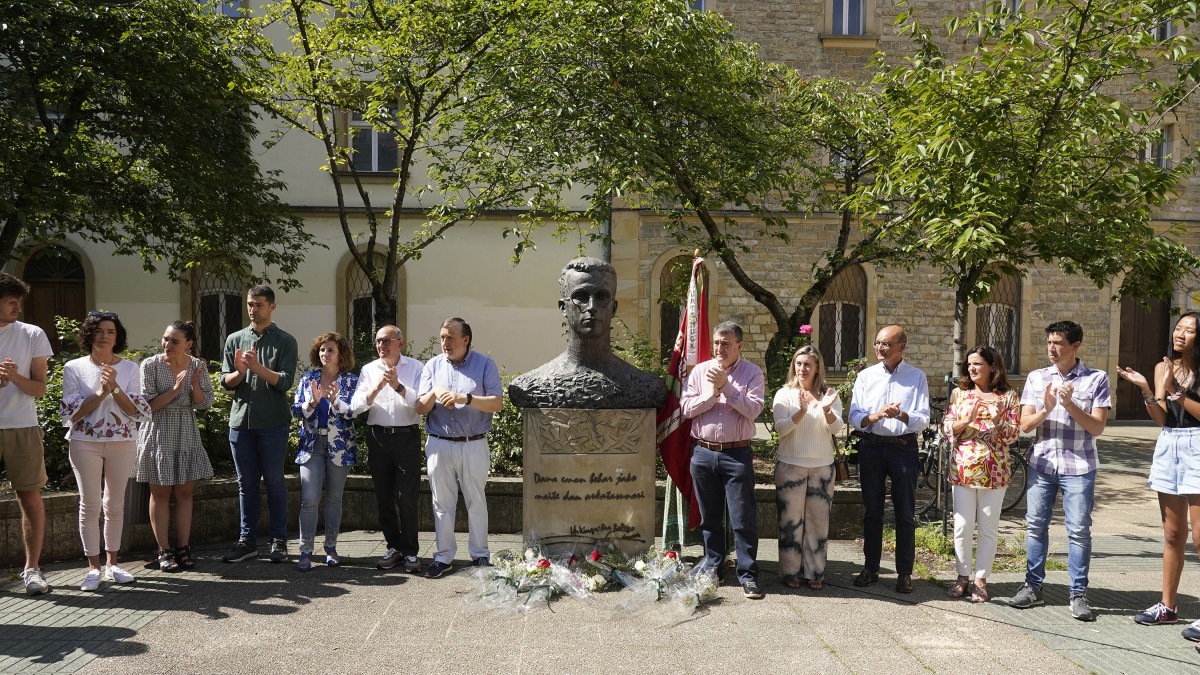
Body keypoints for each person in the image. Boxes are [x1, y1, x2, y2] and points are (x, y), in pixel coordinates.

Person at [1008, 320, 1110, 621]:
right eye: (1049, 343)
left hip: (1079, 466)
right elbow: (1024, 426)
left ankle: (1078, 593)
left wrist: (1070, 405)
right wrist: (1048, 408)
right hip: (1042, 464)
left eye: (1059, 343)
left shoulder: (1096, 378)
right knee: (1035, 525)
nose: (1052, 349)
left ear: (1075, 346)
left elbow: (1097, 427)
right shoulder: (1038, 378)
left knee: (1078, 530)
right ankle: (1033, 586)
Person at [1117, 311, 1200, 645]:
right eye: (1178, 327)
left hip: (1198, 445)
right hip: (1170, 445)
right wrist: (1148, 390)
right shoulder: (1163, 367)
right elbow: (1161, 419)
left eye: (1189, 330)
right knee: (1172, 533)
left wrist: (1178, 391)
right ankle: (1167, 606)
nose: (1180, 334)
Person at [60, 311, 150, 591]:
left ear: (117, 337)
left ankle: (113, 564)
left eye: (110, 331)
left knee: (115, 503)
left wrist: (114, 388)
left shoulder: (130, 368)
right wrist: (100, 392)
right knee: (90, 504)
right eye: (99, 330)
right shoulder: (74, 368)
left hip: (122, 441)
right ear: (89, 334)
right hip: (84, 441)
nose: (104, 335)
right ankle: (92, 568)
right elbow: (71, 414)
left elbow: (134, 410)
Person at [508, 257, 666, 409]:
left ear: (613, 308)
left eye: (602, 297)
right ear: (563, 307)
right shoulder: (532, 385)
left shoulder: (646, 387)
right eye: (581, 296)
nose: (591, 307)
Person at [680, 321, 766, 599]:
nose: (719, 348)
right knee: (710, 518)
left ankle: (748, 575)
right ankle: (713, 565)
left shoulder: (752, 373)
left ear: (739, 346)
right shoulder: (700, 372)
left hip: (736, 453)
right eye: (716, 342)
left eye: (726, 343)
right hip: (703, 453)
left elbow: (753, 410)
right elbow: (686, 409)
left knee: (742, 519)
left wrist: (727, 388)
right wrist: (711, 394)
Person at [416, 317, 503, 579]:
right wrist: (435, 393)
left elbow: (497, 403)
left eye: (450, 337)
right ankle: (443, 557)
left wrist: (466, 398)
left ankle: (480, 556)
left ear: (466, 339)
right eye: (442, 337)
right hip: (439, 443)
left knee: (476, 501)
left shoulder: (485, 364)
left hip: (473, 443)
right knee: (441, 503)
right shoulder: (432, 366)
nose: (445, 343)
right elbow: (420, 408)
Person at [848, 325, 930, 594]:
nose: (880, 349)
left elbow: (923, 418)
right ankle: (871, 567)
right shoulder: (866, 377)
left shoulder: (916, 376)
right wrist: (876, 416)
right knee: (872, 511)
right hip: (871, 447)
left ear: (902, 347)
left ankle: (904, 573)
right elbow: (854, 416)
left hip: (903, 448)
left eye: (886, 344)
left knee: (904, 512)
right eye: (877, 343)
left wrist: (902, 415)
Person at [220, 285, 298, 564]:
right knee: (246, 484)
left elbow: (286, 382)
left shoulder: (285, 341)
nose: (253, 309)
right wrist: (240, 371)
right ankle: (247, 541)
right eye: (250, 304)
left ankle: (278, 541)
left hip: (273, 422)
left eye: (260, 304)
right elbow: (225, 382)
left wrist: (257, 369)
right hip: (240, 423)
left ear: (272, 307)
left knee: (275, 482)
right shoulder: (235, 339)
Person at [943, 345, 1020, 603]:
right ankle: (962, 576)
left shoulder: (1008, 397)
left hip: (994, 470)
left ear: (992, 366)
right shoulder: (959, 394)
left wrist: (998, 419)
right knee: (963, 526)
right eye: (969, 364)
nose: (972, 368)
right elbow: (947, 427)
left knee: (988, 528)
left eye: (978, 364)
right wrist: (967, 420)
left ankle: (981, 579)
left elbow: (1013, 435)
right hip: (963, 468)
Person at [136, 321, 214, 572]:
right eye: (165, 339)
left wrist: (192, 385)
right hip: (158, 431)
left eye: (174, 341)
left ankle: (183, 547)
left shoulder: (198, 365)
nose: (167, 345)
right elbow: (147, 406)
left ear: (188, 344)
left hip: (186, 431)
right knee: (160, 494)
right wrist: (175, 389)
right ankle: (163, 550)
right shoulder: (150, 365)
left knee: (184, 493)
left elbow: (204, 404)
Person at [351, 325, 425, 572]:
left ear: (400, 343)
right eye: (378, 341)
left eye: (387, 341)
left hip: (407, 437)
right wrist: (374, 390)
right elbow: (356, 406)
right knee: (384, 496)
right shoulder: (369, 369)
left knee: (407, 497)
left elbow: (421, 403)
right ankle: (393, 546)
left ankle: (411, 551)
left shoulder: (416, 368)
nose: (382, 346)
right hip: (378, 437)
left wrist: (398, 387)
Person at [771, 345, 842, 591]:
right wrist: (801, 411)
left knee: (818, 523)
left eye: (808, 364)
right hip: (790, 466)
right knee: (790, 522)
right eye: (799, 363)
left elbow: (836, 429)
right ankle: (790, 572)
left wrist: (825, 409)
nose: (802, 369)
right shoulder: (784, 394)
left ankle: (815, 573)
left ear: (817, 368)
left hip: (822, 468)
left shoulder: (829, 395)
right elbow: (781, 428)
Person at [0, 273, 53, 595]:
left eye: (19, 300)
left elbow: (41, 388)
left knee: (29, 497)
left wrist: (16, 378)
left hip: (22, 426)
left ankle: (32, 570)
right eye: (10, 300)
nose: (17, 306)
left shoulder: (32, 334)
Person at [291, 332, 358, 571]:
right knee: (309, 498)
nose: (325, 354)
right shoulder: (309, 378)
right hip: (311, 447)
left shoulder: (350, 381)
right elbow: (295, 411)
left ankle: (331, 548)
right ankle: (305, 551)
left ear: (340, 353)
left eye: (330, 350)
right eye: (321, 350)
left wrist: (336, 401)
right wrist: (311, 403)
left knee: (334, 498)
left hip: (340, 446)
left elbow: (353, 413)